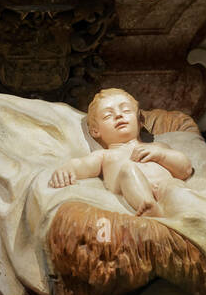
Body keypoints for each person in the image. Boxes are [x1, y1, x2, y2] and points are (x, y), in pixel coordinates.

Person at [48, 88, 193, 216]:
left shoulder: (157, 146)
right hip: (134, 195)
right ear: (95, 130)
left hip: (167, 190)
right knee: (128, 170)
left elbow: (185, 169)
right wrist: (66, 169)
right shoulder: (105, 155)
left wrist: (161, 155)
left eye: (126, 111)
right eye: (108, 115)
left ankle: (183, 213)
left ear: (140, 121)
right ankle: (149, 206)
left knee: (175, 189)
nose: (118, 116)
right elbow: (82, 164)